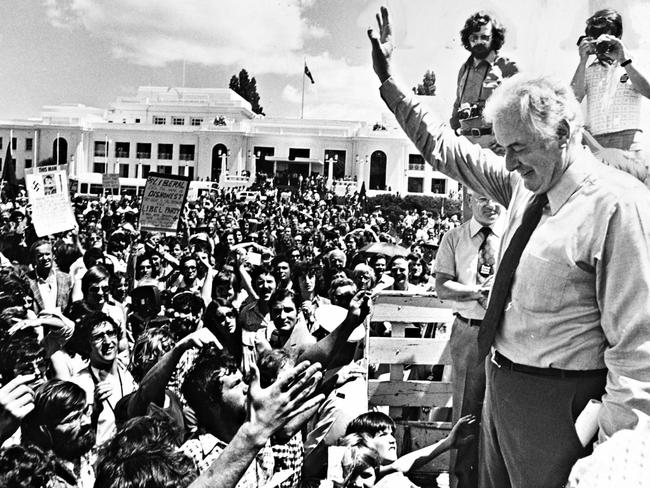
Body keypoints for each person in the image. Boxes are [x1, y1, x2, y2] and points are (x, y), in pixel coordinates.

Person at [368, 7, 650, 488]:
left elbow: (638, 354)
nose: (510, 161)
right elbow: (445, 148)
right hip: (498, 395)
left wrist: (613, 462)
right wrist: (390, 81)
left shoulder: (619, 207)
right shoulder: (525, 185)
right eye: (503, 148)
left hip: (561, 411)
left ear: (564, 133)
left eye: (519, 147)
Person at [433, 191, 503, 488]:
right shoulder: (455, 237)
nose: (490, 205)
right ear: (471, 200)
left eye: (495, 198)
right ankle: (461, 482)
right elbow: (442, 287)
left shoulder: (516, 234)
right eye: (482, 198)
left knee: (503, 412)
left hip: (506, 334)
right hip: (469, 331)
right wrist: (478, 293)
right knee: (466, 411)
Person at [571, 9, 650, 157]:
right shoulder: (588, 69)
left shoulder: (634, 63)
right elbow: (573, 99)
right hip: (598, 143)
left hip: (629, 141)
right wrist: (582, 61)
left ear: (618, 37)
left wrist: (624, 60)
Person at [450, 11, 518, 148]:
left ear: (494, 38)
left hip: (494, 147)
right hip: (465, 145)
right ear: (468, 40)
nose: (479, 41)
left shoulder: (507, 67)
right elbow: (457, 104)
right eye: (474, 38)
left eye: (485, 37)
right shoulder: (464, 70)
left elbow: (521, 109)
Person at [25, 240, 73, 314]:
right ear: (34, 259)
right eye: (40, 256)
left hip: (63, 323)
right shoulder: (27, 280)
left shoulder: (66, 279)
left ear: (53, 255)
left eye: (47, 254)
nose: (45, 258)